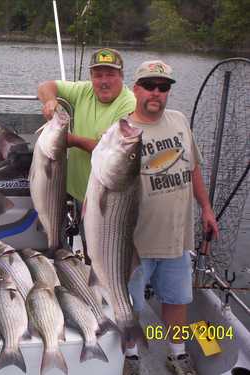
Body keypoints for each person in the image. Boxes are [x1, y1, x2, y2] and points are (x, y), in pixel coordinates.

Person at [123, 60, 219, 375]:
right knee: (131, 306)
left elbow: (193, 169)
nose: (156, 93)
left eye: (163, 87)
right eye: (149, 85)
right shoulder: (122, 132)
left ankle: (177, 354)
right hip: (135, 242)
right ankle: (131, 355)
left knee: (177, 300)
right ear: (135, 89)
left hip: (178, 239)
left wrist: (205, 208)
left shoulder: (179, 120)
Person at [37, 48, 136, 256]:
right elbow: (46, 86)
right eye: (98, 75)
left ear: (121, 76)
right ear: (91, 77)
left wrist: (71, 140)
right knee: (86, 244)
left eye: (110, 74)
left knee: (101, 252)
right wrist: (50, 100)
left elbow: (114, 152)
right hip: (77, 191)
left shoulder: (128, 103)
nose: (104, 81)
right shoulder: (85, 90)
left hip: (106, 199)